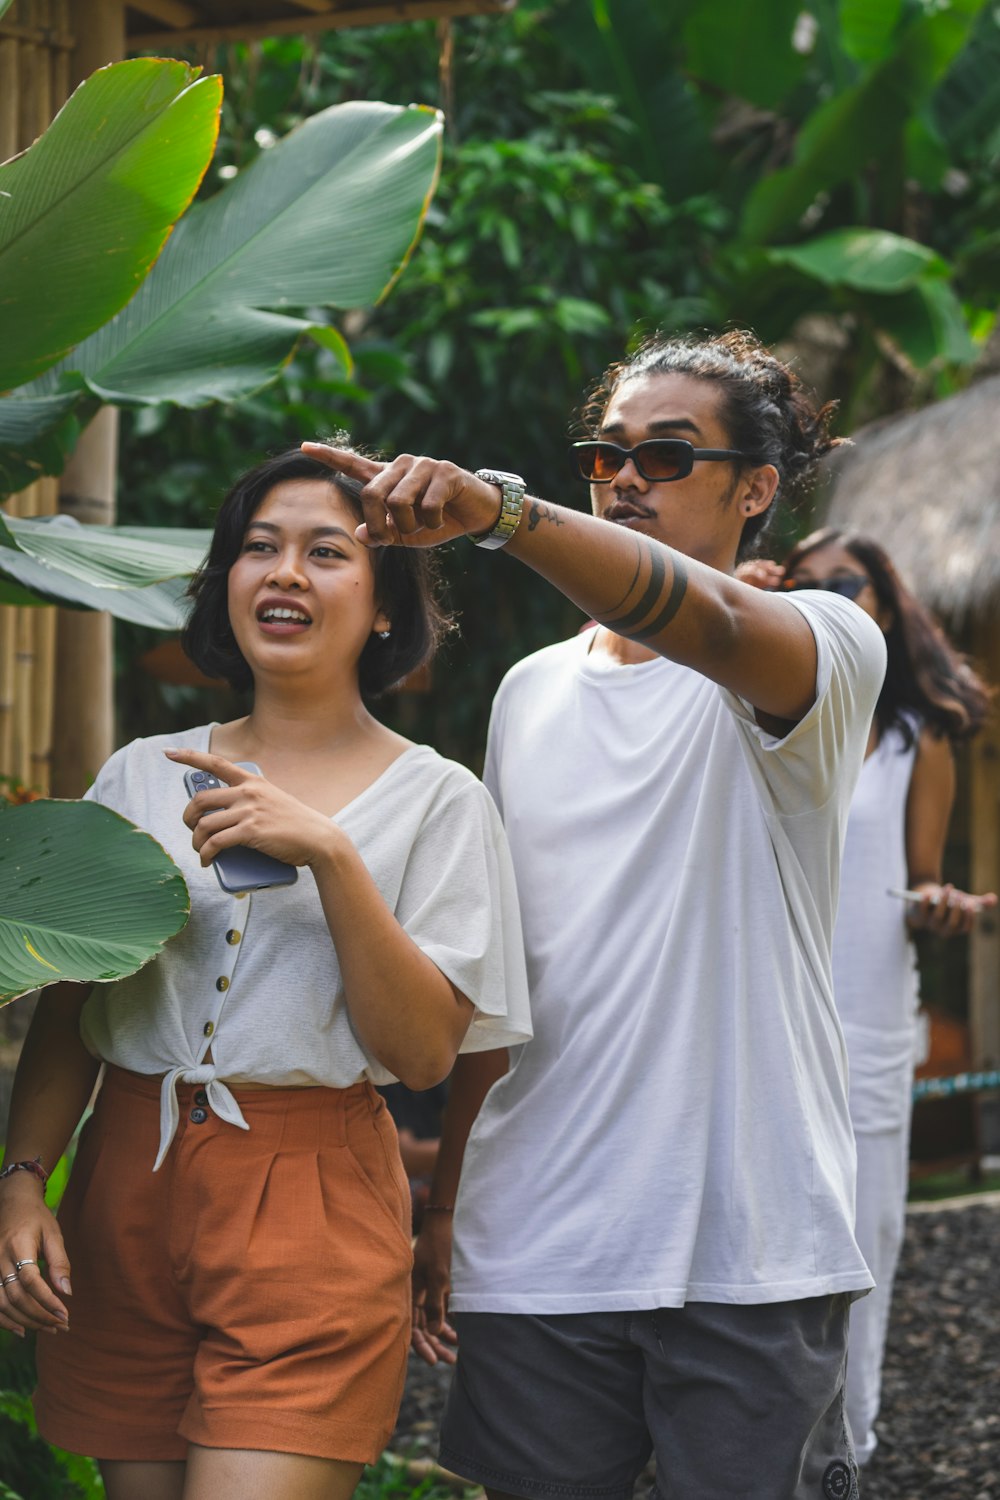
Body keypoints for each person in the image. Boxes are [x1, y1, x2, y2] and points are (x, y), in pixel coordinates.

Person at [302, 329, 889, 1500]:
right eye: (606, 454)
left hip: (751, 1243)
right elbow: (508, 979)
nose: (625, 479)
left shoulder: (825, 643)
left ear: (756, 487)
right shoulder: (531, 695)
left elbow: (714, 630)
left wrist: (500, 515)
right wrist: (451, 1207)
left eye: (667, 458)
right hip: (540, 1247)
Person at [0, 449, 531, 1500]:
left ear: (384, 607)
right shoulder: (138, 773)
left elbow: (422, 1050)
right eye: (259, 548)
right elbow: (72, 1008)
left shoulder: (440, 802)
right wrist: (22, 1182)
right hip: (121, 1191)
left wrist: (330, 856)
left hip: (314, 1203)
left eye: (327, 553)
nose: (285, 573)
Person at [741, 529, 996, 1466]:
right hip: (764, 1010)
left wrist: (944, 905)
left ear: (886, 600)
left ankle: (850, 1450)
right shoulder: (756, 714)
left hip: (869, 1015)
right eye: (807, 586)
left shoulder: (913, 740)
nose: (833, 597)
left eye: (849, 583)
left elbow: (920, 882)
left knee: (866, 1237)